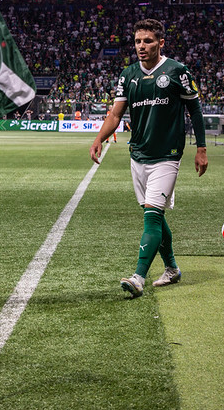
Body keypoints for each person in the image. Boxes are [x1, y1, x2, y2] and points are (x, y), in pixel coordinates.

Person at [90, 18, 208, 299]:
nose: (142, 47)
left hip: (167, 155)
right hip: (138, 154)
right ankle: (172, 268)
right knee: (153, 213)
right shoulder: (127, 74)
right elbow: (116, 114)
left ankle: (138, 277)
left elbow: (196, 110)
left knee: (152, 216)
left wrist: (201, 148)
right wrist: (99, 138)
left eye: (148, 41)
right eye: (138, 41)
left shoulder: (177, 71)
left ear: (161, 43)